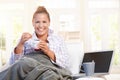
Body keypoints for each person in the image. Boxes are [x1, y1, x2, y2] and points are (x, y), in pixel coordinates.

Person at [0, 6, 73, 80]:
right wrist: (20, 44)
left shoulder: (58, 40)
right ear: (33, 23)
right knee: (24, 63)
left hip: (51, 70)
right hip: (29, 70)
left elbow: (67, 64)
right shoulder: (26, 40)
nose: (41, 26)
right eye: (37, 22)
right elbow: (13, 64)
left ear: (49, 23)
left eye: (44, 22)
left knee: (50, 76)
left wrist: (48, 51)